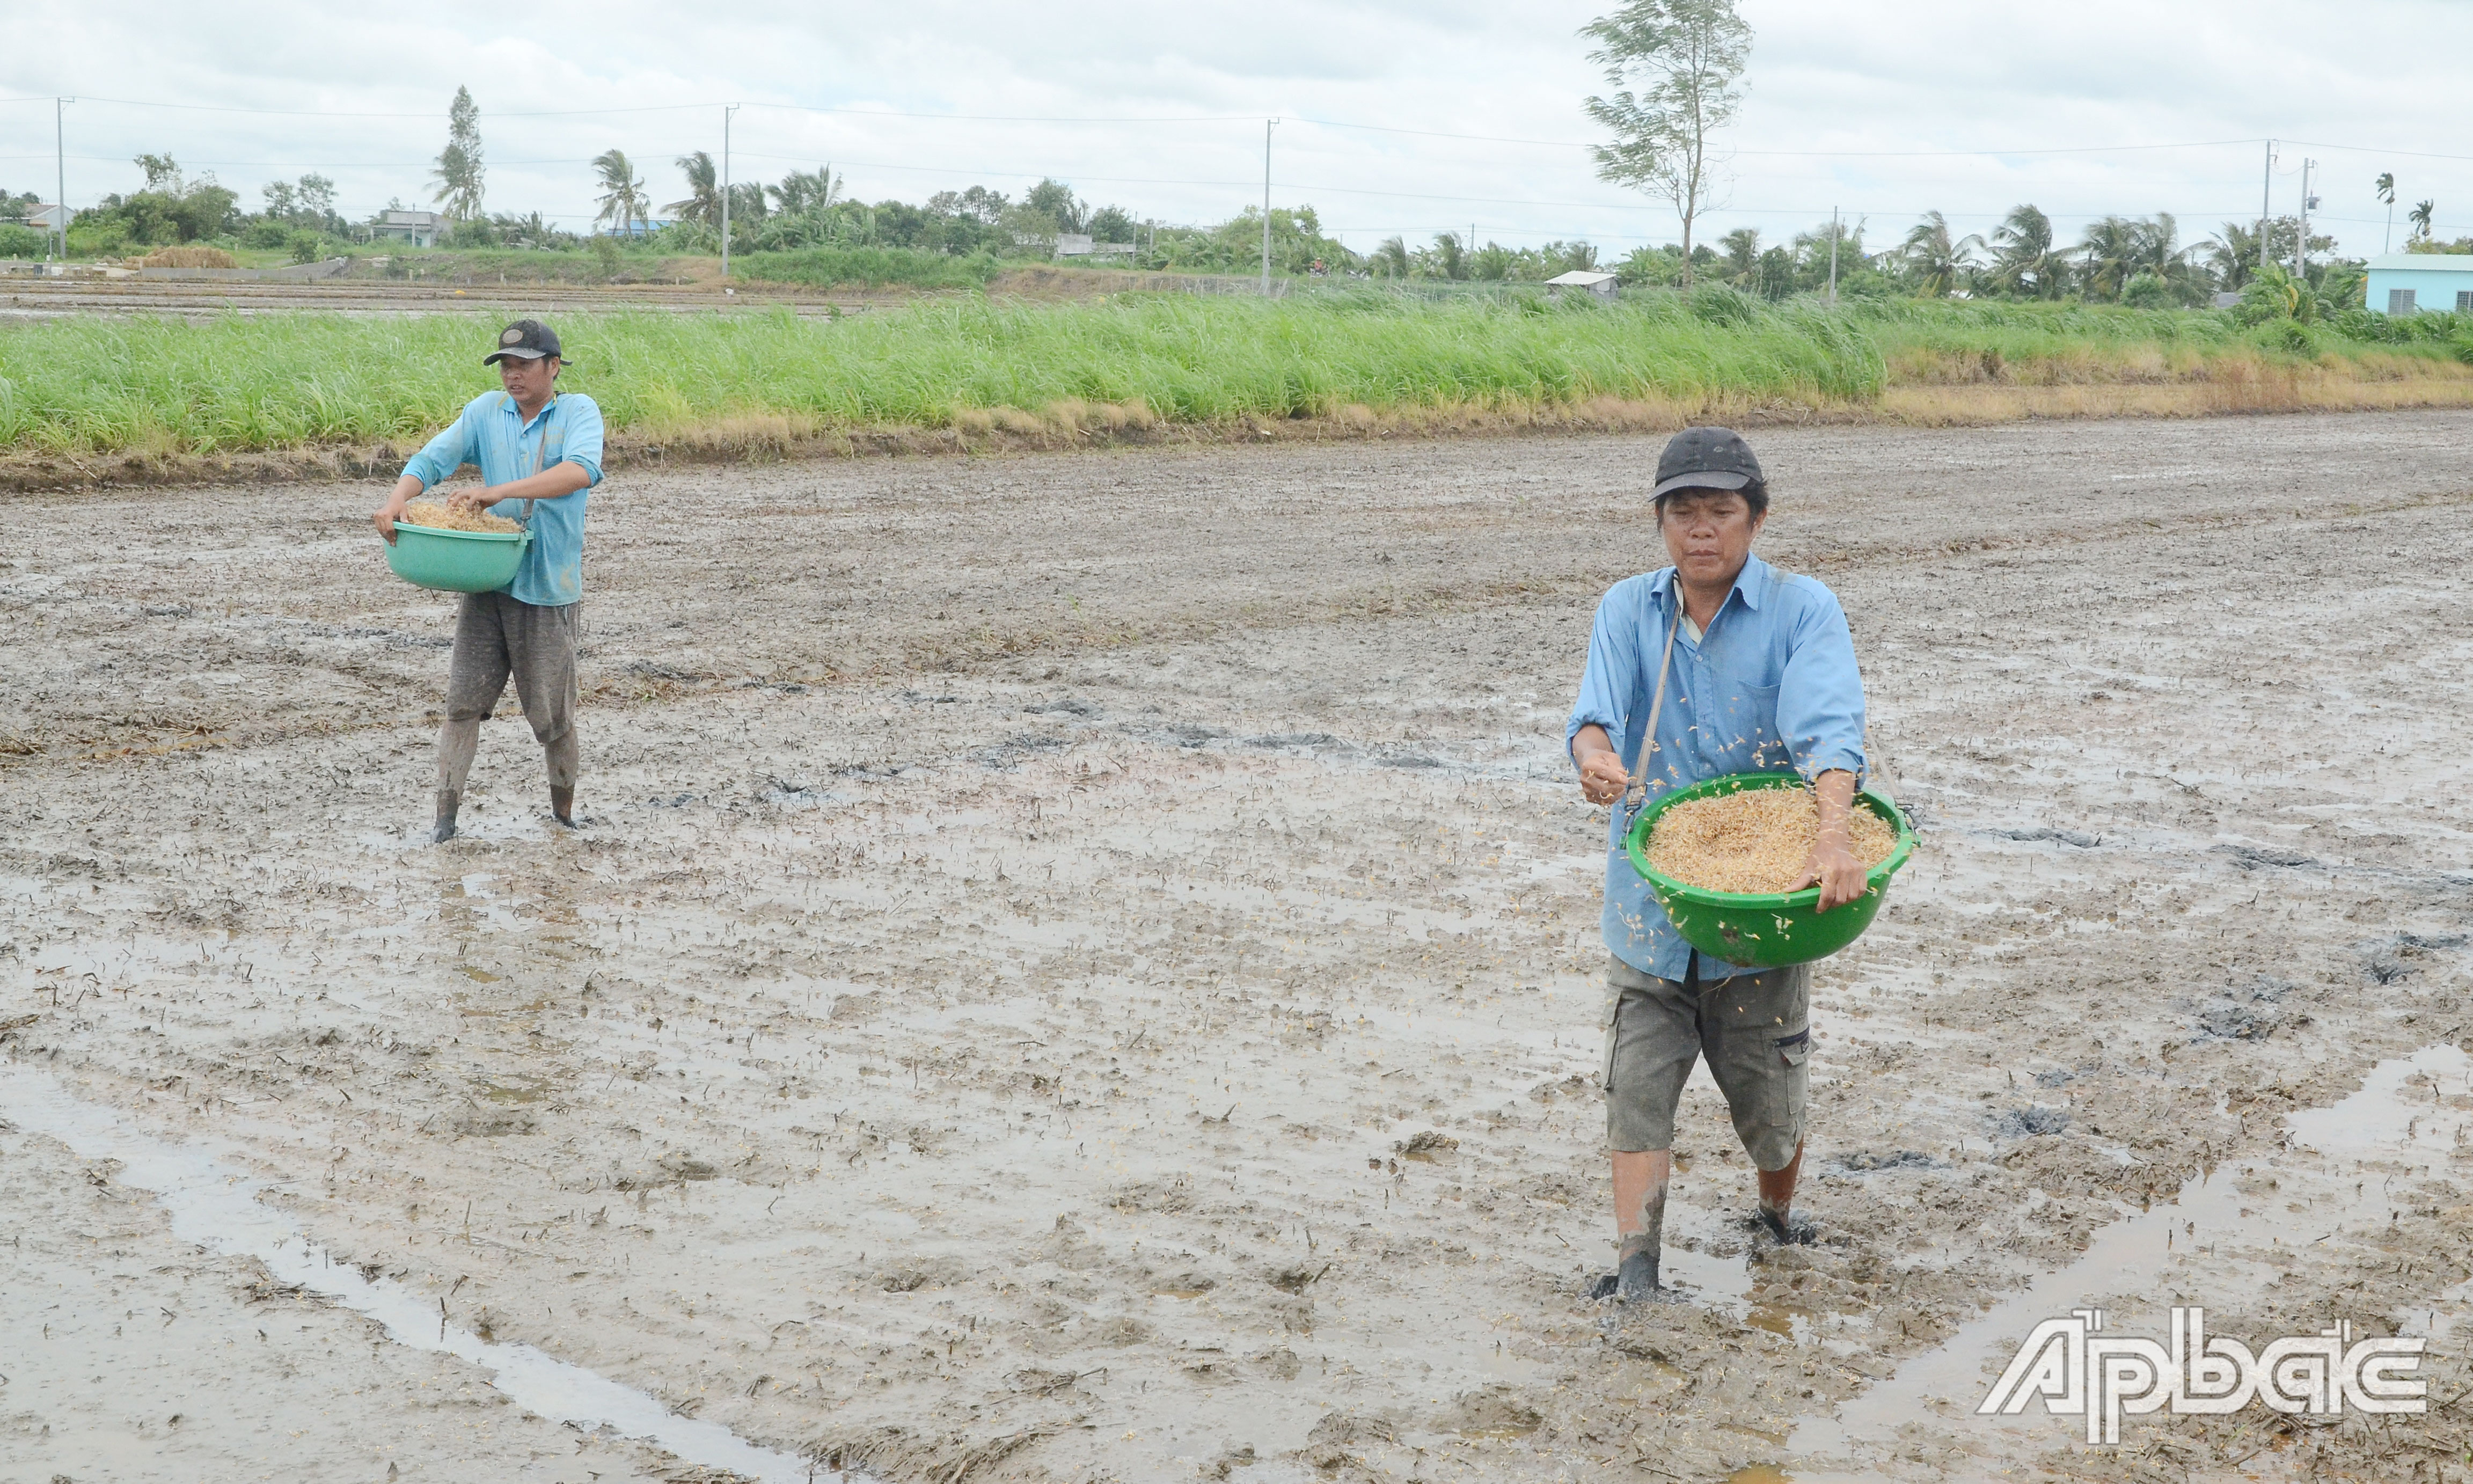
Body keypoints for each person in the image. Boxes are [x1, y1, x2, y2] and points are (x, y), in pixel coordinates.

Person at [1564, 426, 1869, 1303]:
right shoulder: (1628, 609)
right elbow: (1593, 716)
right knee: (1635, 1090)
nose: (1701, 530)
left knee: (1770, 1102)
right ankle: (1637, 1272)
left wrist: (1832, 835)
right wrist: (1593, 757)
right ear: (1660, 523)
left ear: (1756, 519)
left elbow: (1829, 728)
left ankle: (1774, 1217)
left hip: (1758, 912)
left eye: (1721, 512)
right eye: (1682, 513)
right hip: (1652, 904)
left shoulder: (1801, 609)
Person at [372, 319, 606, 843]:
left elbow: (581, 471)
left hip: (547, 586)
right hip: (489, 582)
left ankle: (564, 816)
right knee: (462, 704)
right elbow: (432, 460)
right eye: (506, 366)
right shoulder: (485, 411)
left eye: (524, 364)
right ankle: (444, 823)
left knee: (553, 718)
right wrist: (396, 500)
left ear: (554, 366)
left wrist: (498, 491)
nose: (513, 375)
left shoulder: (577, 412)